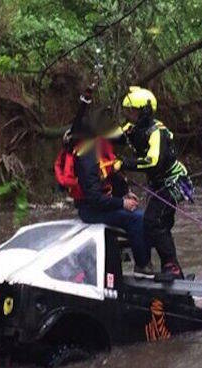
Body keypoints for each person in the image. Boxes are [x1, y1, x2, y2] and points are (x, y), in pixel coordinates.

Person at [59, 88, 152, 274]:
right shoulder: (86, 158)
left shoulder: (97, 150)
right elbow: (94, 197)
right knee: (137, 219)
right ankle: (142, 266)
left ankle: (140, 260)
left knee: (146, 216)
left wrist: (125, 192)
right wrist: (122, 203)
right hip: (91, 210)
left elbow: (111, 175)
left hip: (103, 205)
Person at [109, 86, 194, 280]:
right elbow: (111, 136)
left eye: (133, 111)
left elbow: (153, 162)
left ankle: (172, 269)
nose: (130, 115)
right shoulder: (133, 128)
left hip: (174, 182)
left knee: (154, 221)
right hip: (160, 184)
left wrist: (123, 164)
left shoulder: (157, 132)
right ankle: (172, 268)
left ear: (145, 111)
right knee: (159, 223)